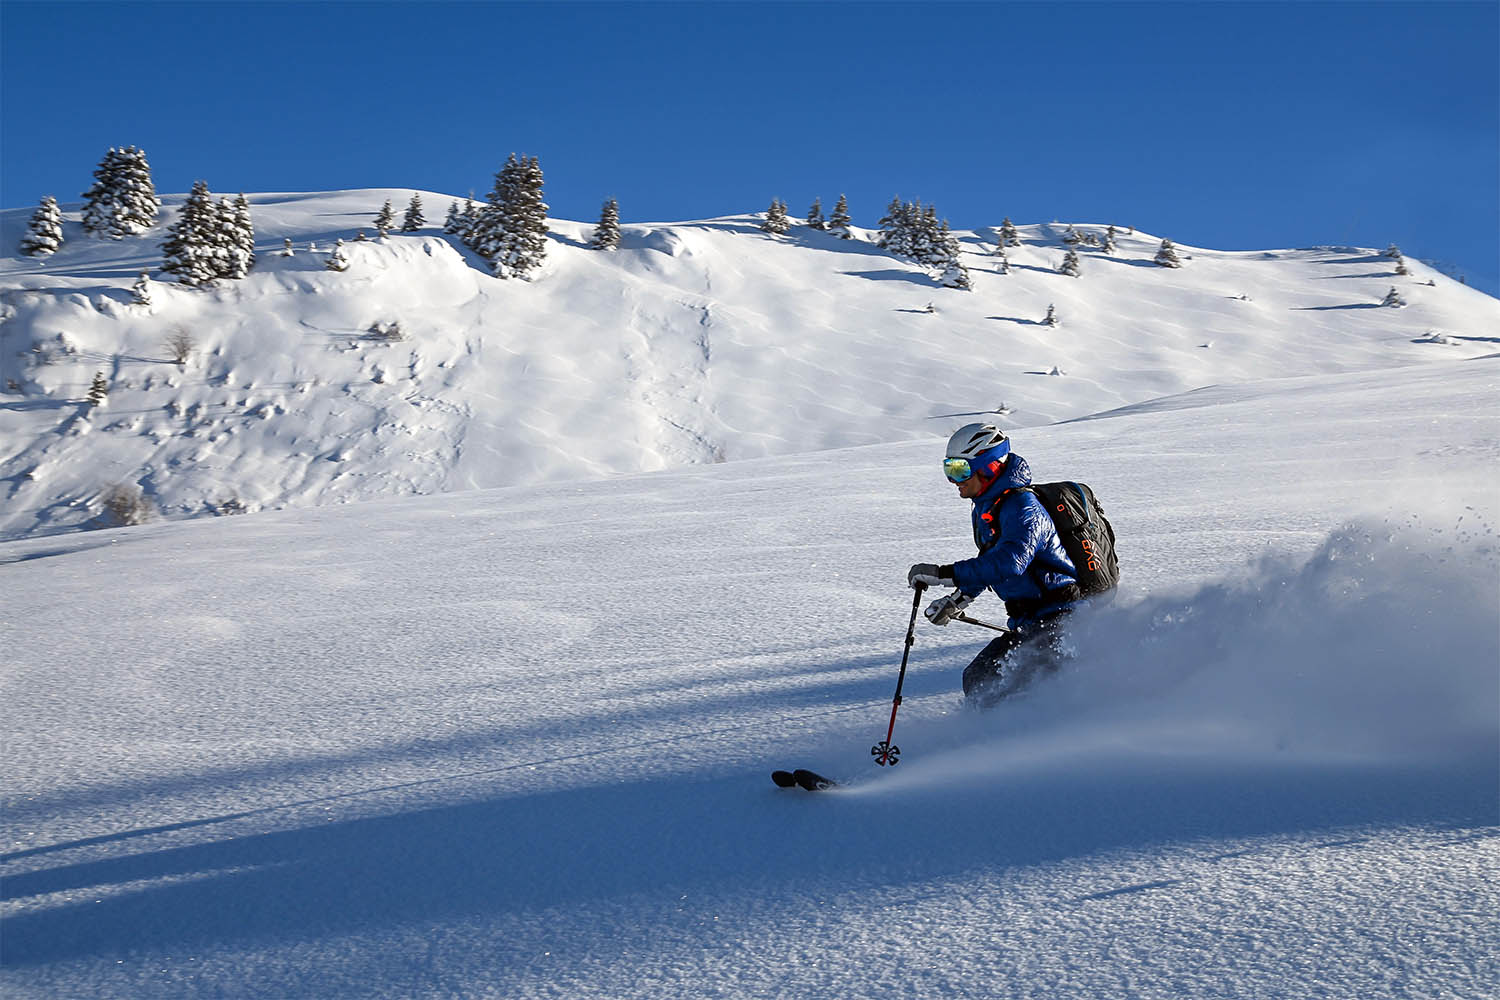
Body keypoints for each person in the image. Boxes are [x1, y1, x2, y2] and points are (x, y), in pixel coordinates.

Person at [907, 423, 1082, 704]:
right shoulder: (988, 506)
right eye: (949, 470)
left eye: (960, 470)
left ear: (988, 467)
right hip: (1031, 621)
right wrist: (958, 600)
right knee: (980, 678)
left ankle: (1025, 741)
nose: (955, 481)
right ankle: (997, 739)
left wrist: (943, 574)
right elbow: (989, 560)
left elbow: (1010, 562)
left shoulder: (1023, 506)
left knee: (999, 686)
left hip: (1062, 620)